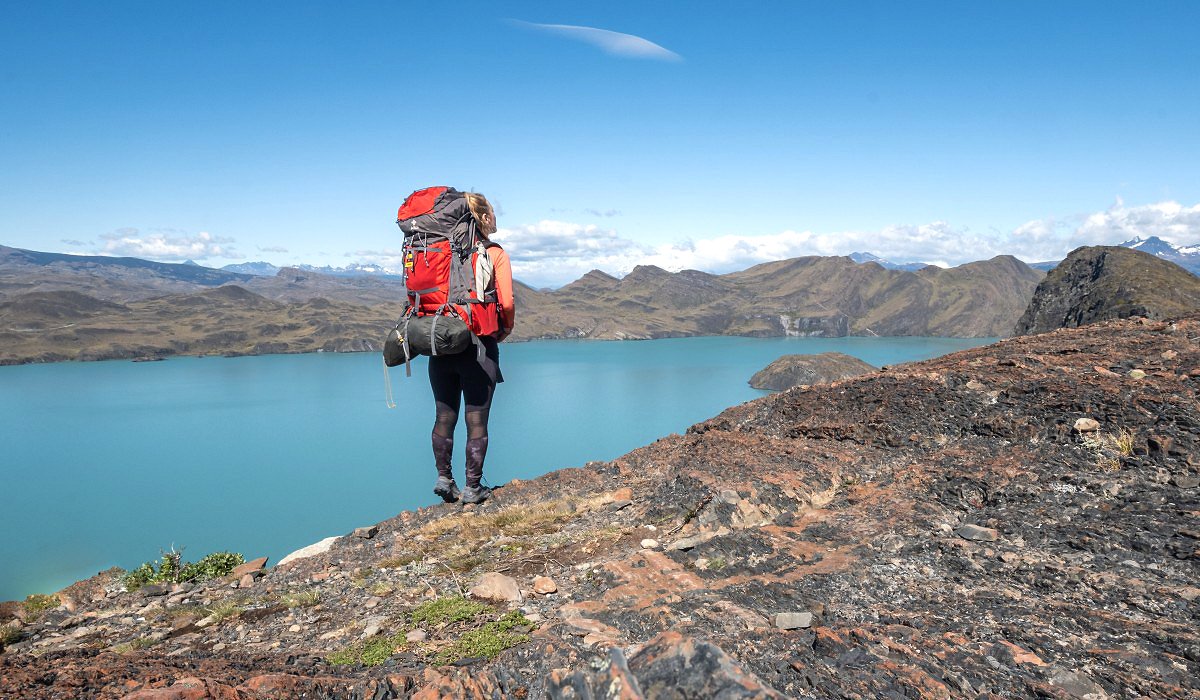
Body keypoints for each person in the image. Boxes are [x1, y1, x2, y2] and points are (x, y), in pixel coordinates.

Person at [429, 192, 515, 505]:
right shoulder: (494, 253)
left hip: (440, 345)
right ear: (482, 217)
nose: (496, 217)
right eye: (492, 212)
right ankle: (473, 487)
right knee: (476, 420)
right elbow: (505, 302)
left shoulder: (438, 250)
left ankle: (444, 477)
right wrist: (503, 329)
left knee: (443, 416)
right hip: (478, 345)